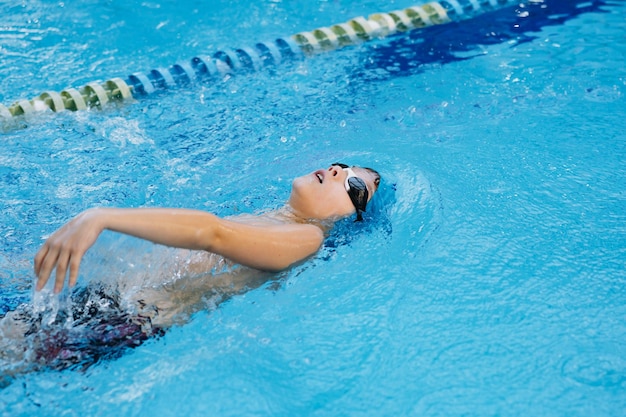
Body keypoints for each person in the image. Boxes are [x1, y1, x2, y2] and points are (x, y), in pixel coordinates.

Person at [0, 163, 381, 375]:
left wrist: (100, 217)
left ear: (352, 216)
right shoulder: (271, 219)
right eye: (341, 165)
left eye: (352, 186)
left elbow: (210, 234)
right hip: (101, 300)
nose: (336, 170)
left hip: (116, 319)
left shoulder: (307, 238)